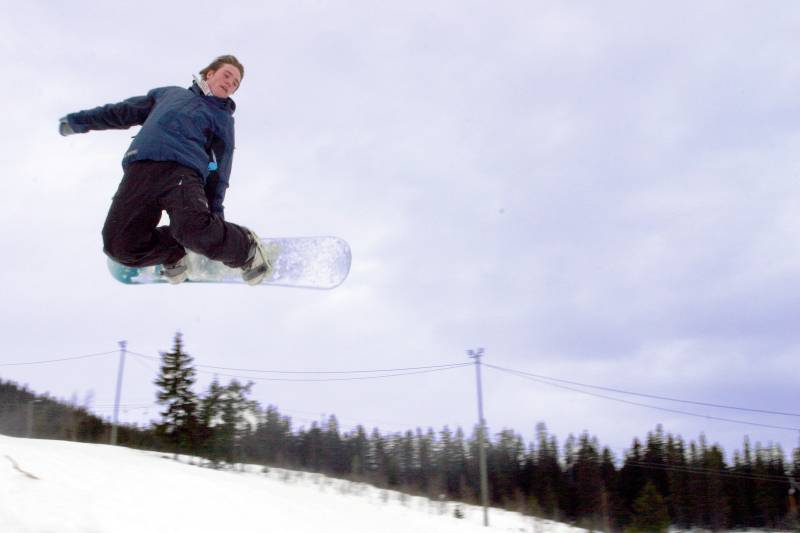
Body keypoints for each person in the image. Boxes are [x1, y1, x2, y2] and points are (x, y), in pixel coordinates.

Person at [58, 55, 270, 285]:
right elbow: (122, 111)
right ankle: (173, 252)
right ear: (210, 73)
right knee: (120, 246)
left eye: (236, 83)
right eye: (227, 75)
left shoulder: (222, 119)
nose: (230, 83)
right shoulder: (169, 94)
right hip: (140, 170)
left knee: (192, 229)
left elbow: (219, 170)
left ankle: (246, 248)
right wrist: (77, 122)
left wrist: (216, 226)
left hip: (182, 173)